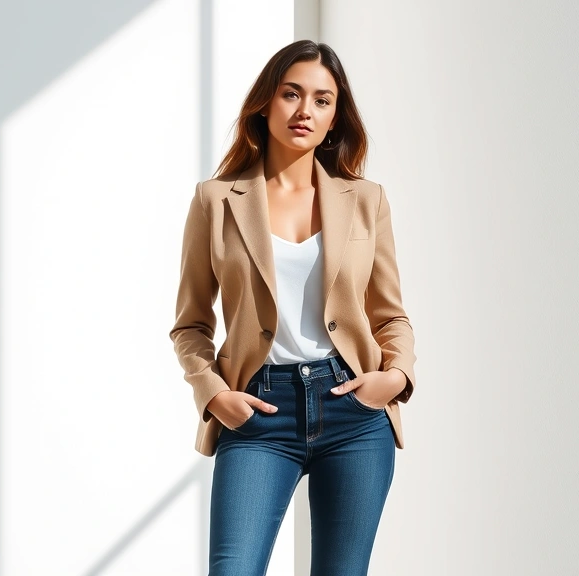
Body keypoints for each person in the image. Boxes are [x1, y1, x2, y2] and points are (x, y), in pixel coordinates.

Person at [169, 39, 417, 576]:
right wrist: (214, 395)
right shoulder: (216, 200)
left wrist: (395, 376)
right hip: (259, 411)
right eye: (291, 94)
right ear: (265, 102)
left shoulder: (366, 200)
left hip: (354, 412)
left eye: (322, 100)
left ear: (335, 117)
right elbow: (190, 324)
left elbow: (390, 315)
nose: (305, 111)